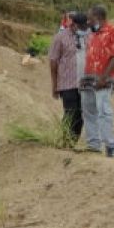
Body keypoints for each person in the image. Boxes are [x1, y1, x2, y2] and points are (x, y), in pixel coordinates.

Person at [80, 5, 114, 157]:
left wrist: (103, 78)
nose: (88, 22)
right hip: (88, 79)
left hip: (104, 80)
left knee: (104, 112)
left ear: (98, 18)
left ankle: (110, 146)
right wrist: (83, 77)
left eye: (90, 19)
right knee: (88, 112)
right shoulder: (93, 35)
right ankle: (93, 145)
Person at [48, 11, 89, 144]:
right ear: (74, 25)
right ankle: (64, 139)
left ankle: (72, 142)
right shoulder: (60, 37)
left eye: (85, 26)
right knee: (70, 112)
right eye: (81, 26)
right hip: (67, 82)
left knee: (81, 114)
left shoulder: (88, 36)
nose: (84, 29)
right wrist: (54, 85)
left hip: (84, 82)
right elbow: (53, 61)